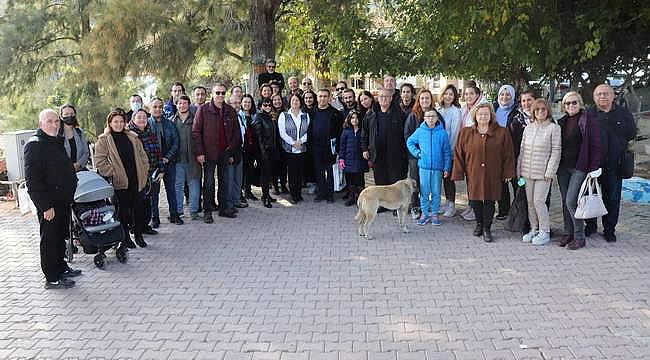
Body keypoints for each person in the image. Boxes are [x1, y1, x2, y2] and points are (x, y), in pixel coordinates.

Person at [25, 109, 80, 289]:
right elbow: (33, 181)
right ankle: (52, 278)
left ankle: (61, 268)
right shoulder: (35, 145)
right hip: (49, 204)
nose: (54, 124)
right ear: (41, 124)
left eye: (57, 121)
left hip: (63, 201)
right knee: (49, 240)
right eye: (49, 121)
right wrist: (45, 206)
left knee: (60, 238)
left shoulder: (56, 141)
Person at [451, 103, 515, 242]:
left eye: (486, 114)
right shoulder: (466, 132)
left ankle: (487, 228)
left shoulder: (502, 132)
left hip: (493, 173)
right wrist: (458, 172)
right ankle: (479, 224)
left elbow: (509, 154)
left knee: (489, 201)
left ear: (491, 115)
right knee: (474, 201)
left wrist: (508, 173)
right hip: (473, 172)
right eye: (480, 114)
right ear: (475, 116)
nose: (483, 116)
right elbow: (459, 153)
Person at [584, 84, 636, 242]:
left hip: (615, 165)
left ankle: (609, 229)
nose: (602, 97)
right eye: (599, 94)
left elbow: (631, 133)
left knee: (612, 198)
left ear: (613, 96)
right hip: (593, 165)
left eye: (606, 94)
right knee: (591, 195)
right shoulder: (589, 113)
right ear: (594, 97)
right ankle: (591, 226)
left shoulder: (623, 113)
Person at [94, 108, 150, 249]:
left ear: (125, 122)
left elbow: (143, 156)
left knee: (138, 209)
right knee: (123, 211)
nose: (118, 124)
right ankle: (125, 237)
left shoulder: (132, 136)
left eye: (121, 121)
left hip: (136, 178)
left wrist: (144, 168)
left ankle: (138, 235)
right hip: (120, 181)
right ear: (110, 123)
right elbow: (100, 161)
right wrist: (113, 172)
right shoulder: (104, 139)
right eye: (115, 122)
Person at [556, 91, 601, 250]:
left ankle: (579, 236)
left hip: (579, 168)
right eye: (567, 103)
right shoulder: (561, 122)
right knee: (564, 201)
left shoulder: (589, 120)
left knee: (571, 201)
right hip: (562, 168)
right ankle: (568, 233)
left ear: (580, 103)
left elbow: (596, 145)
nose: (571, 106)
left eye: (574, 102)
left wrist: (594, 168)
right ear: (563, 106)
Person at [193, 84, 242, 222]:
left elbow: (236, 133)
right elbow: (196, 132)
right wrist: (200, 152)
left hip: (225, 153)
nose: (220, 95)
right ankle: (207, 211)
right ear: (212, 94)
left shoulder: (230, 110)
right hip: (208, 153)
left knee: (224, 181)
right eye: (218, 93)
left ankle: (224, 209)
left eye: (223, 93)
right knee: (208, 182)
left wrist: (231, 149)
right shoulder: (203, 110)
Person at [517, 99, 561, 246]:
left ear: (547, 110)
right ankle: (534, 228)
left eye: (543, 109)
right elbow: (522, 150)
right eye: (537, 110)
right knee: (530, 202)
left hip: (543, 173)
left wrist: (550, 171)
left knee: (539, 201)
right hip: (527, 172)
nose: (540, 112)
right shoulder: (528, 128)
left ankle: (545, 231)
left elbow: (556, 151)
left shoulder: (554, 128)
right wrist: (519, 169)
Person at [407, 109, 452, 226]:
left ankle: (435, 213)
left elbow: (447, 152)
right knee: (424, 192)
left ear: (437, 118)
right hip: (424, 168)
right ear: (424, 118)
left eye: (433, 116)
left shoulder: (442, 133)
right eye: (428, 116)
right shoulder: (420, 131)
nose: (430, 119)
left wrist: (447, 167)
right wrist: (417, 153)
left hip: (437, 169)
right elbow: (410, 142)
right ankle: (425, 213)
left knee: (436, 192)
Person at [361, 88, 408, 188]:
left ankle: (394, 203)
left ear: (391, 98)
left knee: (395, 184)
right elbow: (364, 133)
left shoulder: (400, 114)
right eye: (381, 96)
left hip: (395, 156)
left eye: (386, 96)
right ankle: (382, 203)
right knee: (380, 184)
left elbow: (405, 134)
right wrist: (364, 149)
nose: (384, 99)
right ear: (377, 98)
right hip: (377, 155)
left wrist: (405, 153)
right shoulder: (371, 114)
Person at [127, 109, 164, 236]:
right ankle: (135, 227)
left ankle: (145, 226)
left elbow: (158, 153)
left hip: (152, 174)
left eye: (144, 117)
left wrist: (161, 169)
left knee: (148, 201)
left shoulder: (151, 134)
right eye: (139, 117)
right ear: (133, 119)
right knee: (137, 202)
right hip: (137, 174)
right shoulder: (130, 135)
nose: (142, 120)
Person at [404, 89, 435, 220]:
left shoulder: (436, 115)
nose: (424, 101)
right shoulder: (413, 116)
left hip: (432, 158)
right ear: (418, 100)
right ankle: (415, 207)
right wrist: (417, 152)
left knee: (428, 184)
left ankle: (427, 207)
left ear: (431, 100)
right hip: (416, 157)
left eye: (427, 98)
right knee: (416, 182)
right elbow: (407, 136)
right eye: (422, 98)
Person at [148, 98, 180, 227]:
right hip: (153, 164)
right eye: (155, 107)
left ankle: (174, 215)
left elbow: (176, 142)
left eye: (160, 107)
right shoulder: (147, 124)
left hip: (169, 162)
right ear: (150, 108)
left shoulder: (170, 124)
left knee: (171, 189)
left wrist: (167, 157)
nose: (158, 109)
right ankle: (154, 218)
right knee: (154, 193)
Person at [458, 83, 488, 221]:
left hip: (479, 149)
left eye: (471, 93)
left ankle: (477, 210)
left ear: (477, 95)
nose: (468, 96)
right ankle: (471, 206)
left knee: (477, 182)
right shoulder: (465, 108)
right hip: (467, 149)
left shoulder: (482, 107)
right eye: (466, 94)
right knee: (470, 181)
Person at [171, 95, 202, 221]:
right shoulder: (172, 121)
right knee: (178, 186)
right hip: (178, 160)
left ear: (189, 104)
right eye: (179, 103)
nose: (182, 106)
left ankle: (194, 212)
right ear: (176, 105)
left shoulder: (196, 120)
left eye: (184, 103)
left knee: (194, 185)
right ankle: (178, 211)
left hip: (194, 159)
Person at [310, 89, 342, 203]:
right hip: (316, 147)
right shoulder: (312, 112)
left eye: (325, 96)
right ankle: (321, 193)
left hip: (330, 147)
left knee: (330, 171)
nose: (322, 99)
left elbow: (339, 131)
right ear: (317, 98)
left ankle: (330, 194)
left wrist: (338, 148)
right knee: (319, 171)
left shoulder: (335, 113)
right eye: (320, 96)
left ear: (329, 98)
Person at [278, 93, 310, 203]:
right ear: (290, 102)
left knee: (299, 172)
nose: (295, 102)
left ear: (300, 102)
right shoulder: (284, 115)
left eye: (297, 100)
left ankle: (298, 193)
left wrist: (301, 141)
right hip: (289, 149)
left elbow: (307, 131)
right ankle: (293, 195)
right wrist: (293, 143)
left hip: (301, 148)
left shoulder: (305, 116)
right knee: (292, 173)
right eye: (293, 100)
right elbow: (282, 132)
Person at [437, 84, 462, 217]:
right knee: (439, 178)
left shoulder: (455, 111)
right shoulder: (438, 110)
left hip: (449, 152)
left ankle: (451, 205)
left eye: (451, 94)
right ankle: (444, 203)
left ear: (454, 97)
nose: (448, 96)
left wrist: (449, 152)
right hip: (437, 151)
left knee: (448, 179)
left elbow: (455, 134)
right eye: (446, 94)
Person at [493, 84, 517, 220]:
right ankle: (504, 210)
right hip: (497, 153)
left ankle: (518, 212)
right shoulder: (494, 109)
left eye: (508, 95)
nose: (504, 97)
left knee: (516, 183)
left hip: (513, 152)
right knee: (500, 184)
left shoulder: (516, 111)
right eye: (502, 94)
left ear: (513, 96)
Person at [252, 97, 279, 208]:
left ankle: (267, 194)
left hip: (271, 150)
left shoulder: (269, 117)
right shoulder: (258, 117)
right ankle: (265, 197)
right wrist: (263, 153)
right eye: (265, 105)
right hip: (263, 151)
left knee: (269, 175)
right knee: (264, 175)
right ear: (260, 106)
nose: (268, 107)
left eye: (269, 104)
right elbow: (259, 138)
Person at [339, 110, 368, 206]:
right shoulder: (346, 131)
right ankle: (351, 197)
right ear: (349, 119)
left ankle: (360, 198)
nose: (354, 120)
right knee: (350, 180)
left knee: (360, 180)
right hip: (349, 160)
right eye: (352, 118)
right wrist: (341, 158)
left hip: (360, 159)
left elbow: (366, 144)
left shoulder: (363, 130)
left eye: (356, 118)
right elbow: (342, 146)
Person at [58, 104, 90, 171]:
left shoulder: (79, 132)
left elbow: (86, 152)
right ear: (61, 116)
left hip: (80, 170)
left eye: (72, 114)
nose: (69, 116)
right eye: (66, 114)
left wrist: (78, 164)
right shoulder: (57, 134)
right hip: (63, 172)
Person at [240, 94, 260, 201]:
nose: (247, 104)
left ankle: (248, 191)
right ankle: (240, 192)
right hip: (242, 147)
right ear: (241, 103)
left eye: (249, 102)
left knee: (250, 169)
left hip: (252, 147)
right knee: (241, 171)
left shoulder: (255, 116)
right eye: (245, 102)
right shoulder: (239, 115)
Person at [271, 93, 289, 194]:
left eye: (279, 100)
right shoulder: (270, 113)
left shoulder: (286, 113)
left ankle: (283, 184)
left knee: (283, 165)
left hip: (284, 143)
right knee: (274, 165)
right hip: (274, 143)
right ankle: (275, 186)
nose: (277, 102)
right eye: (275, 100)